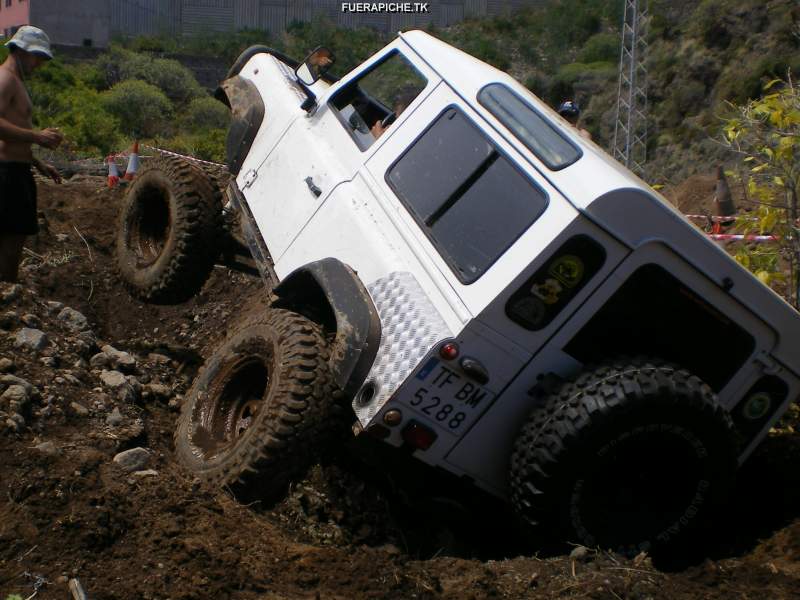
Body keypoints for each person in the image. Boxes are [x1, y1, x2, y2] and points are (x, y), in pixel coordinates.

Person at [0, 25, 63, 283]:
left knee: (15, 241)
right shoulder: (5, 79)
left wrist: (37, 162)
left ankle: (9, 292)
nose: (39, 64)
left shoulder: (15, 81)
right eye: (37, 57)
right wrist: (37, 137)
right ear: (21, 51)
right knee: (8, 245)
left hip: (17, 171)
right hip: (6, 175)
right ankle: (6, 295)